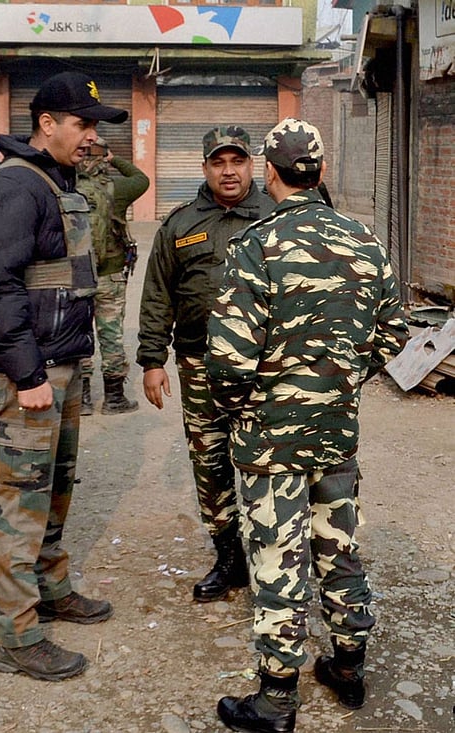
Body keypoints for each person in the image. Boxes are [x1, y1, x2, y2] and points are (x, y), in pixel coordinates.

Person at [205, 119, 409, 732]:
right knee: (339, 546)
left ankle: (275, 702)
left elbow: (229, 357)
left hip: (271, 438)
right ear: (319, 172)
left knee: (277, 558)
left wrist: (240, 405)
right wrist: (343, 379)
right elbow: (396, 336)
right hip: (335, 433)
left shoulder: (257, 246)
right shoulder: (365, 243)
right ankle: (348, 666)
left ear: (269, 173)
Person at [0, 71, 127, 681]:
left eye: (94, 126)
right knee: (20, 504)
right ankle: (15, 636)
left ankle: (51, 589)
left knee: (54, 491)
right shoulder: (16, 188)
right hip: (33, 374)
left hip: (62, 365)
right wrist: (29, 373)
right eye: (83, 124)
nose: (91, 136)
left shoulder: (54, 181)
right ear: (46, 124)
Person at [136, 126, 274, 602]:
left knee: (266, 462)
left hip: (266, 368)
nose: (229, 171)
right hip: (200, 366)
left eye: (237, 161)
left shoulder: (277, 216)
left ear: (253, 165)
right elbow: (158, 295)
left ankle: (272, 560)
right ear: (205, 169)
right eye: (219, 163)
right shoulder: (180, 224)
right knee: (209, 462)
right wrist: (152, 360)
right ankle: (228, 556)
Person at [76, 137, 150, 415]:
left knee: (79, 333)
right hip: (111, 276)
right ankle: (114, 399)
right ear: (101, 157)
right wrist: (114, 158)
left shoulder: (65, 187)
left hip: (77, 276)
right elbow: (141, 178)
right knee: (111, 336)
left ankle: (82, 400)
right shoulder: (117, 188)